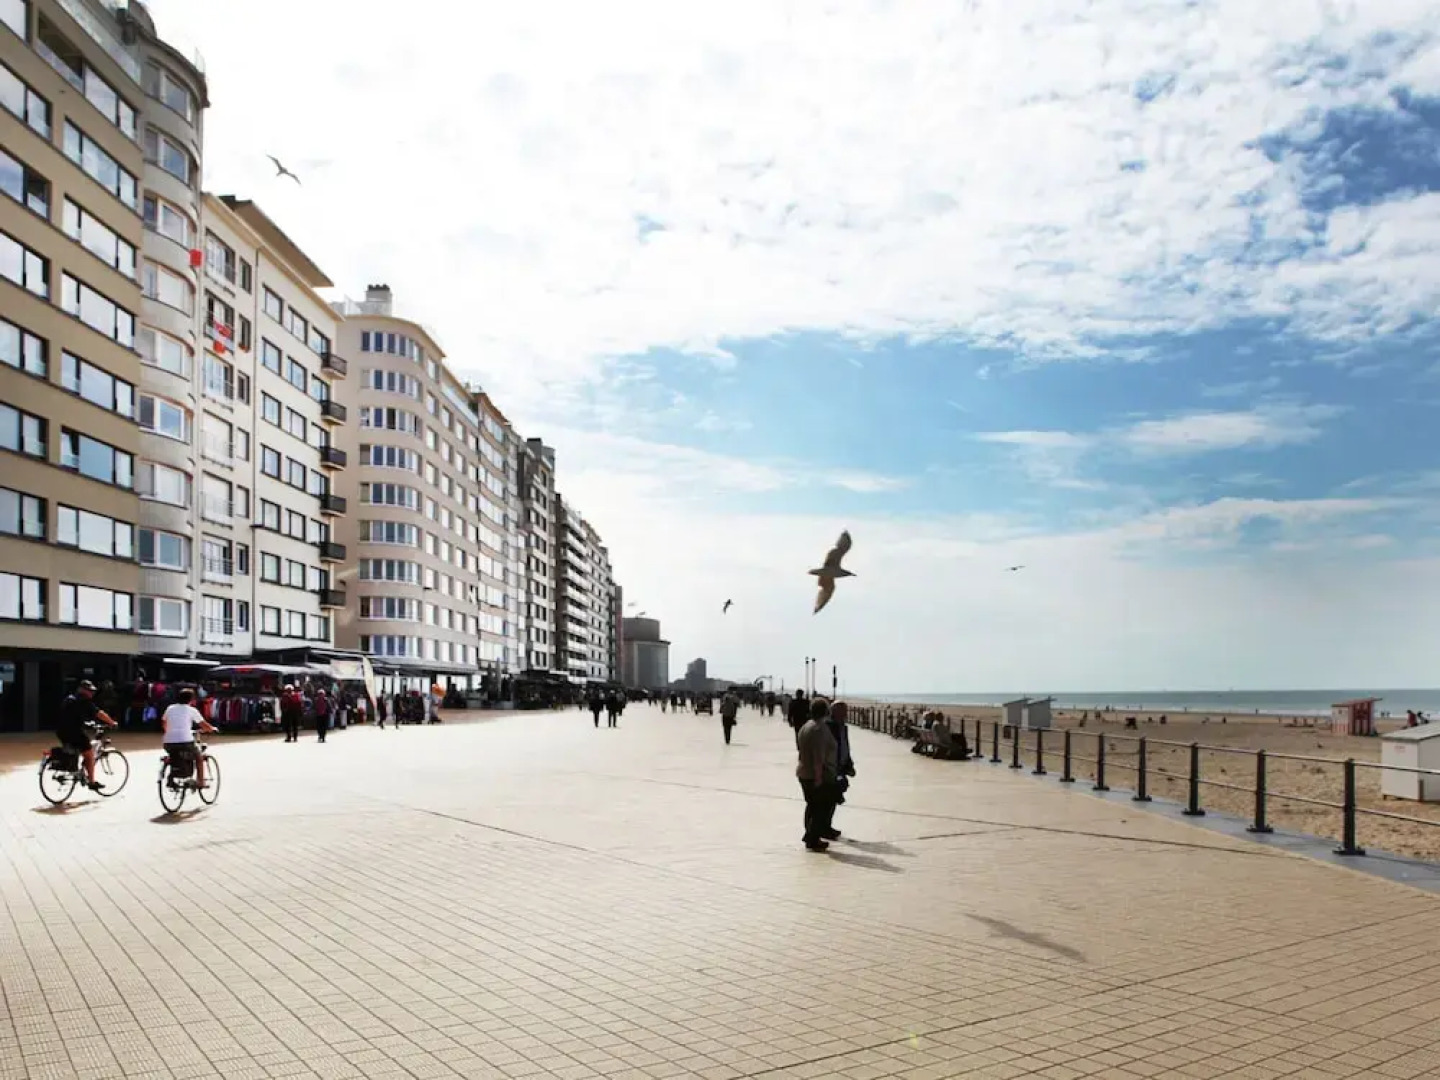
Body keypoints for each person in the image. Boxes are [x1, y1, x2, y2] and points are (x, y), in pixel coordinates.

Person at [55, 680, 118, 791]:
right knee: (89, 754)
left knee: (73, 748)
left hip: (60, 731)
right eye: (89, 691)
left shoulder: (69, 698)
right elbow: (99, 714)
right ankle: (92, 782)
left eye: (92, 691)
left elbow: (70, 715)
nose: (91, 693)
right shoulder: (84, 701)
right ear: (82, 690)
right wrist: (112, 722)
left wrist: (86, 724)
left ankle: (75, 770)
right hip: (74, 732)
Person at [796, 697, 840, 851]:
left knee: (813, 806)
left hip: (803, 771)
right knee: (821, 807)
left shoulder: (806, 726)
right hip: (814, 773)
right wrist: (819, 777)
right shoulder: (819, 728)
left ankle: (811, 835)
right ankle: (812, 838)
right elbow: (818, 756)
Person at [162, 688, 217, 787]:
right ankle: (200, 782)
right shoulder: (192, 710)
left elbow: (164, 722)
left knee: (174, 756)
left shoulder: (170, 708)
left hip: (168, 742)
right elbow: (203, 725)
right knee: (199, 757)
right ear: (191, 700)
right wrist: (212, 729)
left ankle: (171, 778)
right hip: (185, 742)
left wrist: (169, 732)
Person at [827, 700, 856, 807]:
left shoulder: (843, 727)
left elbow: (845, 747)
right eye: (843, 712)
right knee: (829, 800)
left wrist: (849, 764)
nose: (846, 714)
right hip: (831, 768)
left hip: (841, 767)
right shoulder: (829, 727)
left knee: (836, 795)